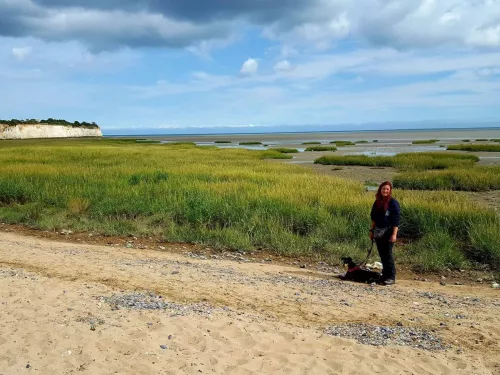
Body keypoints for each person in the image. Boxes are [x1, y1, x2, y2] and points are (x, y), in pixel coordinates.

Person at [369, 181, 400, 286]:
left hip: (389, 232)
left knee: (388, 255)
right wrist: (372, 231)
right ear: (380, 190)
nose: (385, 191)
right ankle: (384, 275)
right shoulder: (377, 202)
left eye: (387, 189)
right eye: (383, 189)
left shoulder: (393, 203)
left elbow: (396, 220)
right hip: (378, 231)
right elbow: (373, 218)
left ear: (390, 190)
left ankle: (391, 277)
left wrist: (394, 234)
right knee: (382, 255)